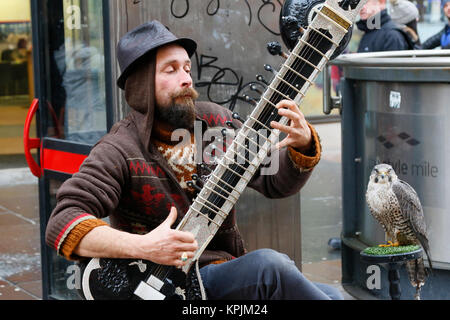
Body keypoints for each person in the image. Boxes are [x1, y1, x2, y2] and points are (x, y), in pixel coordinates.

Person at [45, 20, 343, 300]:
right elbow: (63, 222)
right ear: (142, 84)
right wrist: (147, 247)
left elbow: (274, 182)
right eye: (170, 69)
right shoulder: (119, 148)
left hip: (218, 268)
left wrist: (301, 147)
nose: (186, 78)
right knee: (270, 268)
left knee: (334, 294)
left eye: (186, 68)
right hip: (166, 285)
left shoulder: (213, 124)